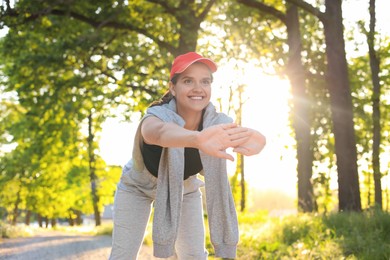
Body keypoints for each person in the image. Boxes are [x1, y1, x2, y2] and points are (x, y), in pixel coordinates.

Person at [109, 52, 266, 260]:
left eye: (205, 81)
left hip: (184, 190)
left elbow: (252, 140)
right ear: (173, 87)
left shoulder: (216, 124)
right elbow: (158, 133)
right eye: (188, 81)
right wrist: (197, 139)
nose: (198, 88)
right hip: (137, 186)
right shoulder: (157, 116)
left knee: (194, 256)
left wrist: (259, 140)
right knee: (123, 256)